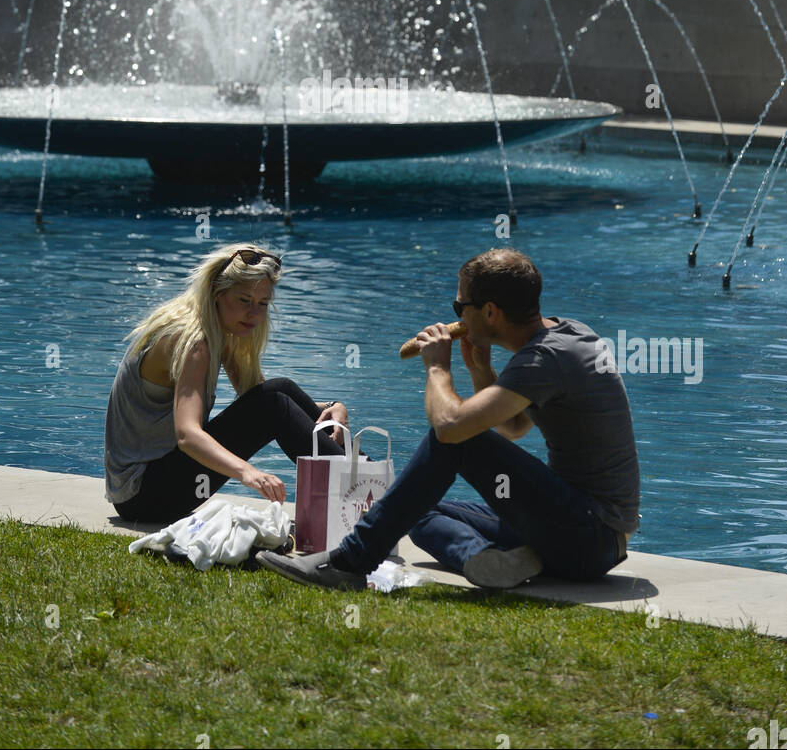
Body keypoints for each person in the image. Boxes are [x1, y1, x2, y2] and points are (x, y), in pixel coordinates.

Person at [257, 247, 640, 590]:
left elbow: (450, 428)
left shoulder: (545, 358)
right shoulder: (566, 335)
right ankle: (491, 561)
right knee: (415, 511)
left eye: (460, 308)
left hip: (589, 536)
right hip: (581, 535)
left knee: (452, 440)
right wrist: (479, 370)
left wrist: (438, 369)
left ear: (490, 311)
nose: (455, 316)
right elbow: (516, 427)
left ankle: (348, 563)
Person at [104, 243, 347, 524]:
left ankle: (366, 483)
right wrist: (248, 472)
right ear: (218, 293)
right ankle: (365, 493)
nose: (254, 313)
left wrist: (331, 409)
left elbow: (263, 400)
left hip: (153, 486)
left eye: (263, 304)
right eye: (244, 300)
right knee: (273, 401)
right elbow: (187, 435)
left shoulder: (215, 327)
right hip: (145, 497)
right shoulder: (194, 341)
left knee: (280, 388)